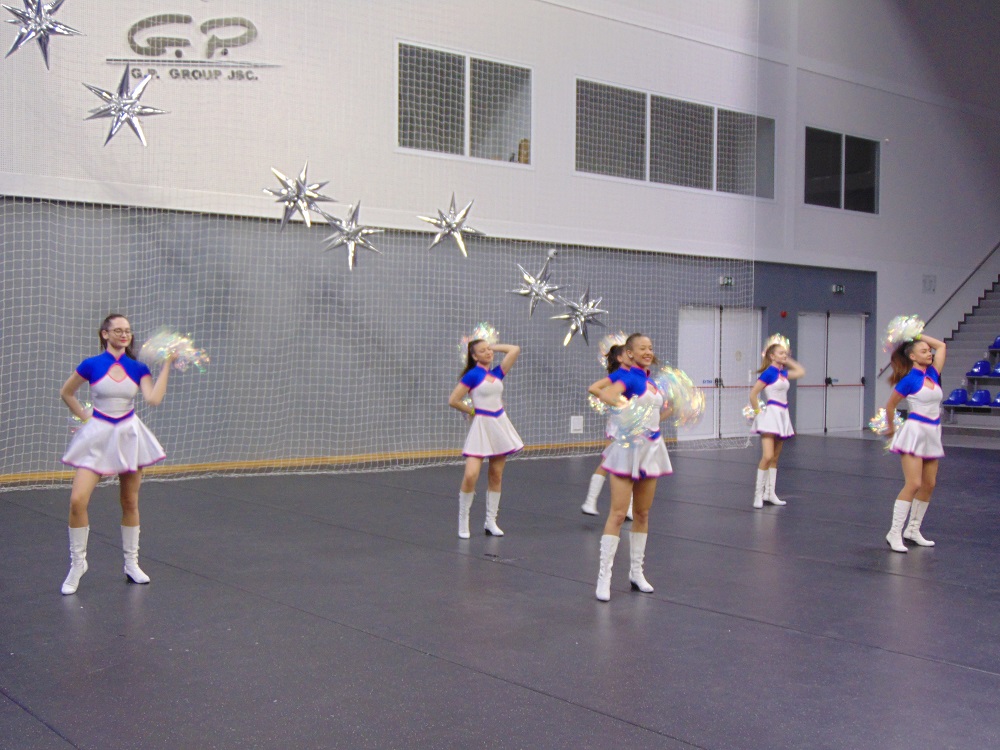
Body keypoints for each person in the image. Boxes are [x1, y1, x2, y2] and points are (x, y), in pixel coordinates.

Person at [58, 314, 174, 595]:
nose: (124, 335)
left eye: (128, 331)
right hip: (97, 437)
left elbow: (153, 399)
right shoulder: (91, 364)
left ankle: (131, 563)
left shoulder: (138, 368)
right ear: (105, 334)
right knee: (77, 501)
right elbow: (67, 393)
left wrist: (167, 365)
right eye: (118, 330)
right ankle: (78, 564)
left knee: (129, 501)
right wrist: (85, 416)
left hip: (128, 436)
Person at [587, 333, 671, 602]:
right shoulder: (629, 377)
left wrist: (676, 407)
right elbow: (607, 395)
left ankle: (636, 572)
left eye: (650, 347)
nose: (648, 351)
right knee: (618, 513)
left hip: (651, 449)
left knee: (642, 513)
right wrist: (626, 411)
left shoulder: (651, 382)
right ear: (630, 353)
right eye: (642, 348)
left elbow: (656, 415)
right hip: (628, 450)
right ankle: (604, 578)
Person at [448, 339, 523, 538]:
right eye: (482, 351)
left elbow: (514, 349)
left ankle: (491, 521)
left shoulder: (497, 372)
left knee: (496, 475)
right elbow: (453, 400)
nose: (488, 352)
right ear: (474, 356)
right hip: (481, 426)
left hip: (499, 425)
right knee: (471, 474)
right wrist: (472, 411)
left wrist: (492, 346)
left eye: (489, 350)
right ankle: (463, 521)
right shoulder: (472, 375)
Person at [883, 333, 946, 552]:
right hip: (914, 433)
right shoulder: (909, 379)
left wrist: (917, 333)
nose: (929, 353)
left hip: (933, 433)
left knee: (929, 484)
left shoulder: (934, 373)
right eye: (923, 351)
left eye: (929, 351)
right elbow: (890, 405)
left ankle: (913, 529)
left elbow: (941, 345)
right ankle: (894, 532)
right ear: (912, 356)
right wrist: (891, 428)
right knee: (914, 484)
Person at [748, 337, 805, 508]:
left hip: (782, 415)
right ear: (772, 356)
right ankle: (758, 494)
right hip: (770, 415)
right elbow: (753, 394)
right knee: (767, 456)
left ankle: (770, 493)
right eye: (781, 353)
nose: (784, 355)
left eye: (785, 353)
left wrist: (787, 359)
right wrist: (758, 414)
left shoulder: (783, 373)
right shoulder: (769, 373)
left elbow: (800, 371)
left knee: (775, 458)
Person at [581, 344, 634, 519]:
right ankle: (590, 501)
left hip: (632, 423)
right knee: (607, 461)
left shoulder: (635, 374)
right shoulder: (619, 375)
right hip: (618, 424)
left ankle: (628, 508)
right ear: (620, 358)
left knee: (630, 464)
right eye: (627, 353)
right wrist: (618, 404)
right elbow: (594, 389)